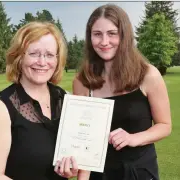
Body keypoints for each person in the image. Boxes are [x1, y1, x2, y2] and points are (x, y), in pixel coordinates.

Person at [72, 4, 172, 180]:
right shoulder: (82, 82)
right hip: (99, 174)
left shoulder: (148, 75)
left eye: (112, 33)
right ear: (90, 38)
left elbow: (164, 126)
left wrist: (133, 138)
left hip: (139, 171)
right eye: (97, 34)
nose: (104, 42)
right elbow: (84, 140)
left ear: (124, 35)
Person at [0, 21, 86, 180]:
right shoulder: (0, 108)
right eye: (34, 53)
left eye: (49, 55)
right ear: (19, 57)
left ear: (58, 60)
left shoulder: (65, 99)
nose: (42, 62)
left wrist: (72, 169)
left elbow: (81, 155)